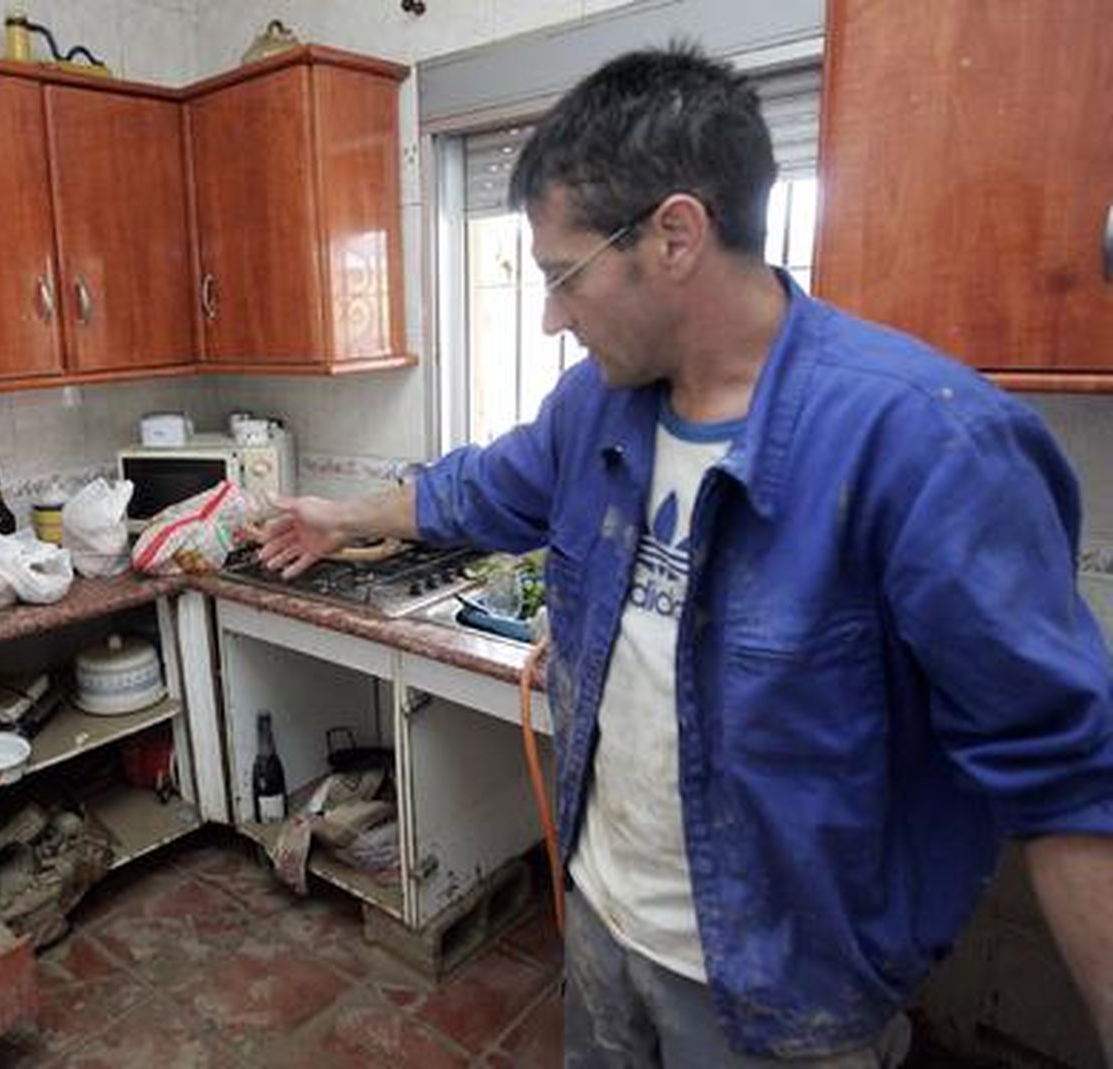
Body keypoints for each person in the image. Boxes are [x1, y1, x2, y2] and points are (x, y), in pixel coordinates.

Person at [252, 44, 1113, 1068]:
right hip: (602, 920)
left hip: (782, 987)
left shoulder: (927, 444)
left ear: (674, 236)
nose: (550, 316)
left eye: (563, 276)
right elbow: (475, 488)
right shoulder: (594, 406)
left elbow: (1071, 787)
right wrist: (340, 517)